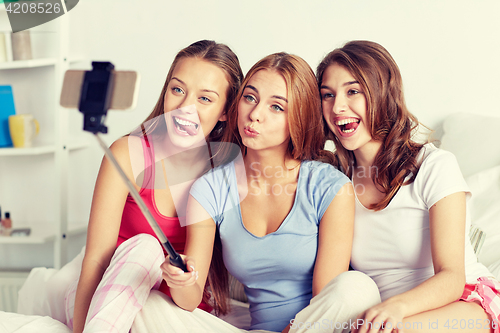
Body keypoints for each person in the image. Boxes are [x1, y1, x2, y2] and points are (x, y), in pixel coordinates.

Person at [137, 52, 381, 333]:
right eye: (250, 98)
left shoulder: (330, 187)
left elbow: (326, 301)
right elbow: (189, 300)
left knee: (356, 288)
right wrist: (181, 280)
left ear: (299, 118)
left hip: (314, 328)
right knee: (147, 302)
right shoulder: (210, 189)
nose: (255, 114)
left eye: (277, 107)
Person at [317, 40, 500, 333]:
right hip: (386, 319)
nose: (338, 106)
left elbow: (452, 276)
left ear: (383, 94)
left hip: (464, 303)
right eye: (328, 95)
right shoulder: (336, 181)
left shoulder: (434, 165)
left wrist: (396, 307)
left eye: (353, 91)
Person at [64, 40, 244, 333]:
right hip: (112, 296)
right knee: (147, 248)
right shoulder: (128, 154)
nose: (185, 107)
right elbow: (96, 259)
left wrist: (183, 280)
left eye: (205, 99)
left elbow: (190, 298)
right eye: (178, 90)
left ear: (225, 111)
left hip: (170, 310)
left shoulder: (218, 176)